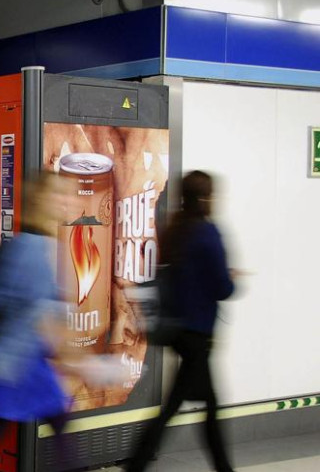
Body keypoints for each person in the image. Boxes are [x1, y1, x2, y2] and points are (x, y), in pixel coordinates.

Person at [0, 174, 76, 472]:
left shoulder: (26, 244)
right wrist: (73, 358)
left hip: (8, 357)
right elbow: (42, 316)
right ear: (40, 201)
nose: (67, 200)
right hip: (20, 361)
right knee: (57, 423)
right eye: (59, 194)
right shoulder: (35, 250)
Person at [127, 171, 236, 472]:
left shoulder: (175, 229)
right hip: (198, 335)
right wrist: (231, 279)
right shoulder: (206, 232)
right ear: (206, 197)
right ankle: (135, 466)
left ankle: (137, 466)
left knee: (195, 406)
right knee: (183, 410)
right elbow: (223, 288)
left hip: (178, 331)